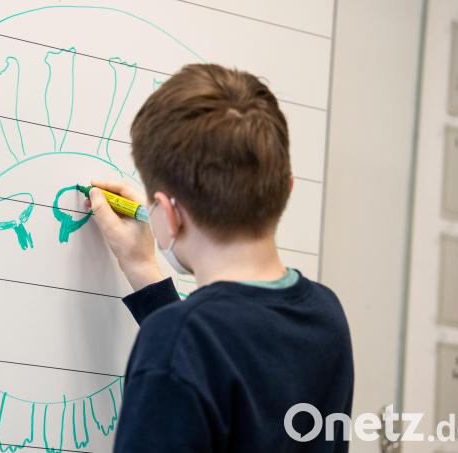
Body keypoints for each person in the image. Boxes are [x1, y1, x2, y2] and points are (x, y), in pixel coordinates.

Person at [85, 63, 354, 452]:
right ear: (287, 188)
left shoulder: (178, 341)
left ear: (168, 214)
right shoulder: (325, 314)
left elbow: (202, 349)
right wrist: (144, 271)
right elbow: (231, 354)